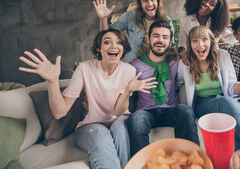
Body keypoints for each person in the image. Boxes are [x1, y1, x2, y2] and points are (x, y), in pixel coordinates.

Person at [18, 29, 157, 169]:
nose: (114, 46)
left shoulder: (128, 70)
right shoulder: (84, 68)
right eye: (107, 42)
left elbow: (118, 112)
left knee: (121, 131)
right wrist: (52, 81)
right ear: (99, 48)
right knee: (100, 135)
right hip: (90, 125)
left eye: (119, 43)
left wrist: (127, 91)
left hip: (119, 118)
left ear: (123, 48)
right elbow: (60, 112)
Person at [177, 26, 240, 151]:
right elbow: (176, 83)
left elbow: (231, 87)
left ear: (211, 42)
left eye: (204, 39)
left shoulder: (222, 56)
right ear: (190, 44)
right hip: (202, 105)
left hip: (226, 100)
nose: (200, 44)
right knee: (227, 102)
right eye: (195, 41)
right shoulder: (185, 62)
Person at [127, 20, 200, 156]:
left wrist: (183, 54)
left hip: (170, 110)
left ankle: (192, 159)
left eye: (165, 37)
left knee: (185, 110)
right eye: (156, 36)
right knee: (136, 120)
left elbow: (196, 58)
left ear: (170, 41)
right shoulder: (134, 65)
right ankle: (143, 164)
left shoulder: (176, 61)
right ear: (149, 39)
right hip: (146, 111)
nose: (160, 40)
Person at [93, 0, 175, 62]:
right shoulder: (129, 16)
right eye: (145, 1)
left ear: (157, 1)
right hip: (136, 64)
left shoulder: (166, 20)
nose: (150, 4)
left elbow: (171, 46)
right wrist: (103, 18)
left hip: (159, 64)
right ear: (141, 4)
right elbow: (105, 34)